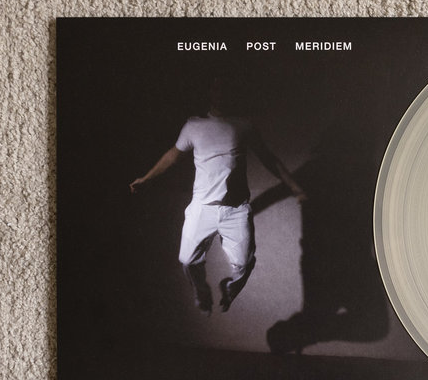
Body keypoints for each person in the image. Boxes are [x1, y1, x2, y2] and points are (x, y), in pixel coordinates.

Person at [130, 81, 306, 314]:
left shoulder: (244, 126)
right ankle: (202, 293)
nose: (221, 93)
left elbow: (268, 158)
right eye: (216, 88)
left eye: (225, 88)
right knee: (187, 260)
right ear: (209, 93)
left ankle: (230, 291)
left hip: (236, 210)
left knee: (244, 264)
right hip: (202, 208)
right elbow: (172, 155)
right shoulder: (194, 126)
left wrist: (295, 187)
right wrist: (146, 178)